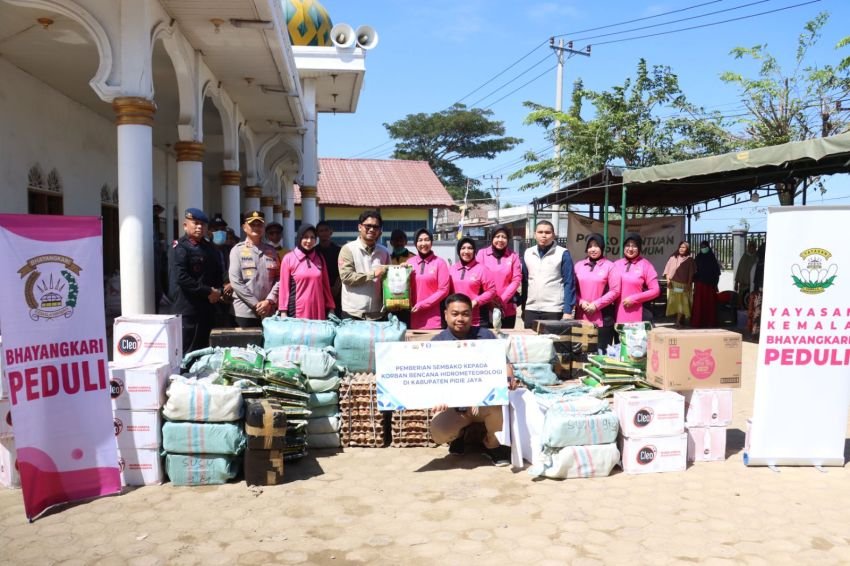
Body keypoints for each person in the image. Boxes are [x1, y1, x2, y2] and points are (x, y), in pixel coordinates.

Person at [429, 293, 515, 466]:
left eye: (465, 313)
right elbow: (429, 379)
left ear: (471, 315)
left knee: (499, 405)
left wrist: (508, 378)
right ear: (445, 314)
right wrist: (436, 398)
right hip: (454, 406)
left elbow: (505, 364)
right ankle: (460, 435)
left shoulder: (486, 336)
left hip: (484, 404)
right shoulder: (436, 343)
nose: (460, 318)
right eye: (455, 314)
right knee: (438, 432)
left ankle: (492, 445)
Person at [169, 208, 224, 354]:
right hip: (188, 308)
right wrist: (208, 291)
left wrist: (219, 291)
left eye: (203, 224)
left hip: (208, 307)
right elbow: (181, 277)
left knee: (204, 350)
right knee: (187, 350)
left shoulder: (211, 248)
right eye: (196, 223)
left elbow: (218, 273)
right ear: (185, 225)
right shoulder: (180, 247)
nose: (200, 227)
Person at [228, 210, 280, 328]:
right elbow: (236, 282)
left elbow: (279, 278)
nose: (256, 227)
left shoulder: (271, 251)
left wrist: (269, 301)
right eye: (252, 224)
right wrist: (256, 305)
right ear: (244, 227)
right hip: (244, 313)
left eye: (259, 225)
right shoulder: (237, 250)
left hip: (268, 311)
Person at [521, 221, 576, 329]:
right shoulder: (528, 253)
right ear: (534, 234)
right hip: (531, 309)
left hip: (554, 310)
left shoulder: (562, 253)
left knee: (553, 345)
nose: (544, 235)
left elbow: (569, 283)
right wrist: (524, 308)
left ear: (554, 235)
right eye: (540, 232)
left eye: (547, 232)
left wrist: (567, 311)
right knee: (531, 344)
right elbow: (525, 282)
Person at [339, 210, 390, 320]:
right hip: (354, 313)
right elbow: (346, 277)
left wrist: (402, 270)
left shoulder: (384, 252)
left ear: (380, 230)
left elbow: (389, 279)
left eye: (376, 227)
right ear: (359, 227)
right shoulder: (348, 249)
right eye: (368, 226)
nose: (372, 229)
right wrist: (372, 275)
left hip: (378, 313)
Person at [277, 223, 335, 320]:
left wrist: (331, 306)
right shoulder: (289, 258)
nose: (309, 241)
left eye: (312, 237)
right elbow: (284, 287)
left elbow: (325, 285)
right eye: (305, 237)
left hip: (318, 309)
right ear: (299, 238)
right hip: (297, 310)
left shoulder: (319, 258)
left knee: (317, 335)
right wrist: (283, 311)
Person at [574, 233, 620, 351]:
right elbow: (572, 289)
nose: (593, 249)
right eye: (590, 246)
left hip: (603, 318)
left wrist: (596, 305)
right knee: (581, 353)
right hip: (581, 316)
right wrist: (581, 302)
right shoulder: (579, 266)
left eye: (596, 246)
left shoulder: (610, 266)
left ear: (602, 247)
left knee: (601, 353)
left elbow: (615, 290)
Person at [476, 225, 522, 329]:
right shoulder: (482, 254)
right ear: (492, 238)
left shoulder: (513, 256)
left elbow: (516, 279)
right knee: (487, 340)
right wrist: (490, 301)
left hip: (507, 306)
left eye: (504, 237)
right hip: (486, 306)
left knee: (505, 340)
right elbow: (478, 277)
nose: (500, 240)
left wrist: (502, 300)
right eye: (497, 236)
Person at [612, 233, 660, 324]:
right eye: (627, 245)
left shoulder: (646, 265)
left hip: (640, 315)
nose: (630, 249)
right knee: (619, 337)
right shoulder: (615, 264)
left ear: (639, 248)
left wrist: (634, 299)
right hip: (617, 314)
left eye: (634, 246)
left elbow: (655, 290)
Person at [407, 228, 450, 330]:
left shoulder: (440, 263)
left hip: (434, 318)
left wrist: (422, 305)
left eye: (427, 240)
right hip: (412, 316)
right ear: (415, 243)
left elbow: (444, 290)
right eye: (420, 240)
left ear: (431, 242)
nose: (423, 243)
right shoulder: (409, 263)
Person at [449, 238, 496, 327]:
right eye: (463, 248)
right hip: (456, 321)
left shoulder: (482, 269)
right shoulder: (451, 269)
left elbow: (492, 290)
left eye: (470, 248)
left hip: (477, 321)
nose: (466, 251)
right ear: (458, 251)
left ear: (474, 251)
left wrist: (476, 301)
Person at [662, 241, 695, 327]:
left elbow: (691, 274)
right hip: (672, 285)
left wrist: (688, 285)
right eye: (680, 247)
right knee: (674, 303)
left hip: (683, 285)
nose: (681, 248)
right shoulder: (673, 258)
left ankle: (678, 321)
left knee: (682, 304)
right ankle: (677, 320)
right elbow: (667, 270)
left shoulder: (689, 259)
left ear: (687, 249)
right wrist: (668, 281)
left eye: (684, 247)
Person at [691, 240, 721, 328]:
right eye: (702, 247)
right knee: (699, 304)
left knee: (710, 304)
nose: (703, 248)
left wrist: (715, 284)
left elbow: (716, 272)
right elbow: (694, 270)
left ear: (708, 247)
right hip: (700, 284)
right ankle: (698, 322)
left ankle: (710, 322)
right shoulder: (698, 257)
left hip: (710, 285)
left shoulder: (712, 258)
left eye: (705, 247)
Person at [315, 221, 342, 317]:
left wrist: (335, 288)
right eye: (321, 231)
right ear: (317, 234)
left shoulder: (339, 251)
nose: (324, 233)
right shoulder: (314, 252)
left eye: (326, 230)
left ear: (331, 232)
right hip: (319, 291)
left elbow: (342, 272)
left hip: (336, 292)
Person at [735, 240, 758, 308]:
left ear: (755, 247)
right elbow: (739, 270)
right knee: (742, 303)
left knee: (751, 304)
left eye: (753, 247)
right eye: (750, 247)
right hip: (743, 285)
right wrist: (736, 283)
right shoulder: (744, 256)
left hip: (752, 286)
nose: (751, 248)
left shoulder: (756, 257)